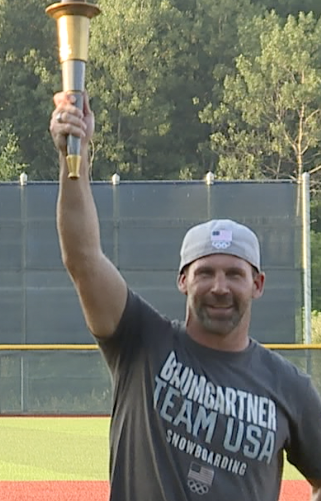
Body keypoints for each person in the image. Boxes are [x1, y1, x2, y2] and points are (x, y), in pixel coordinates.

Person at [50, 91, 321, 500]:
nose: (219, 287)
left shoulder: (289, 386)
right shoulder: (140, 342)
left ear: (257, 284)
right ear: (183, 280)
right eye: (205, 272)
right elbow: (83, 258)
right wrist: (74, 156)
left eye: (234, 274)